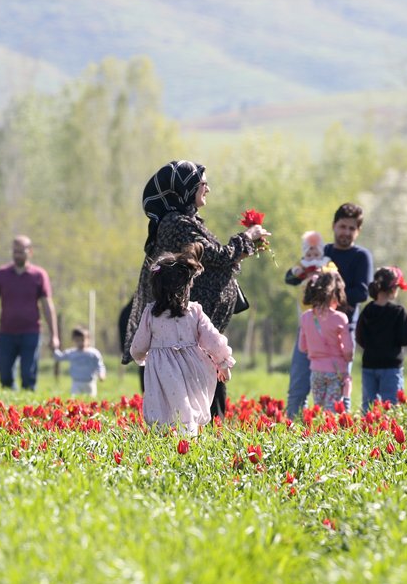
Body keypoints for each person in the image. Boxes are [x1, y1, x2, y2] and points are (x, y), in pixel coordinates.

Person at [122, 161, 269, 418]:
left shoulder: (186, 221)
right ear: (185, 188)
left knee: (207, 377)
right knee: (199, 382)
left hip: (195, 325)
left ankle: (207, 433)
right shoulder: (176, 224)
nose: (208, 189)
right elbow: (218, 257)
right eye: (203, 183)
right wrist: (247, 238)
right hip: (185, 330)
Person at [129, 243, 235, 436]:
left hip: (162, 371)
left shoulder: (151, 314)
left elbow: (138, 346)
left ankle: (167, 439)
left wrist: (141, 355)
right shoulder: (194, 311)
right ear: (186, 286)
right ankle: (188, 439)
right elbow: (214, 340)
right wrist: (223, 363)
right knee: (187, 406)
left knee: (165, 409)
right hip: (192, 368)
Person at [285, 203, 373, 417]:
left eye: (352, 228)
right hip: (311, 328)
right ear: (334, 226)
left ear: (358, 231)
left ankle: (340, 431)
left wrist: (329, 291)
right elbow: (290, 277)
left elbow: (362, 292)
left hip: (341, 331)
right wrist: (302, 273)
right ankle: (294, 426)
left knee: (340, 388)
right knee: (299, 384)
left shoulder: (361, 256)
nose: (346, 232)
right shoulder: (324, 252)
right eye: (343, 226)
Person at [0, 235, 59, 391]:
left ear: (30, 252)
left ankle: (27, 407)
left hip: (31, 331)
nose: (17, 255)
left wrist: (54, 334)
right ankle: (9, 408)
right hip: (6, 332)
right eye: (14, 251)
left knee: (28, 373)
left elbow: (47, 306)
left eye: (21, 251)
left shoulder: (39, 275)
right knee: (4, 374)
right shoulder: (1, 274)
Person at [356, 266, 407, 411]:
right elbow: (405, 339)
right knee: (391, 404)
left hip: (369, 363)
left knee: (368, 405)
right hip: (391, 365)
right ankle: (389, 432)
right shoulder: (398, 312)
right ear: (393, 289)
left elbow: (360, 337)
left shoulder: (367, 310)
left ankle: (368, 432)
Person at [299, 269, 354, 412]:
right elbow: (348, 352)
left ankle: (318, 432)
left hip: (315, 371)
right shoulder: (340, 318)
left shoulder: (306, 317)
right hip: (336, 371)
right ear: (336, 294)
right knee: (332, 411)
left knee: (319, 408)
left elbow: (302, 347)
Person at [54, 326, 107, 397]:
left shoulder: (93, 353)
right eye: (77, 340)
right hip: (76, 383)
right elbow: (59, 357)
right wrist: (54, 348)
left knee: (90, 403)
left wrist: (101, 374)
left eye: (83, 340)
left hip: (90, 383)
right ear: (74, 340)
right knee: (74, 402)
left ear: (88, 339)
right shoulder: (71, 353)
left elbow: (100, 365)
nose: (81, 343)